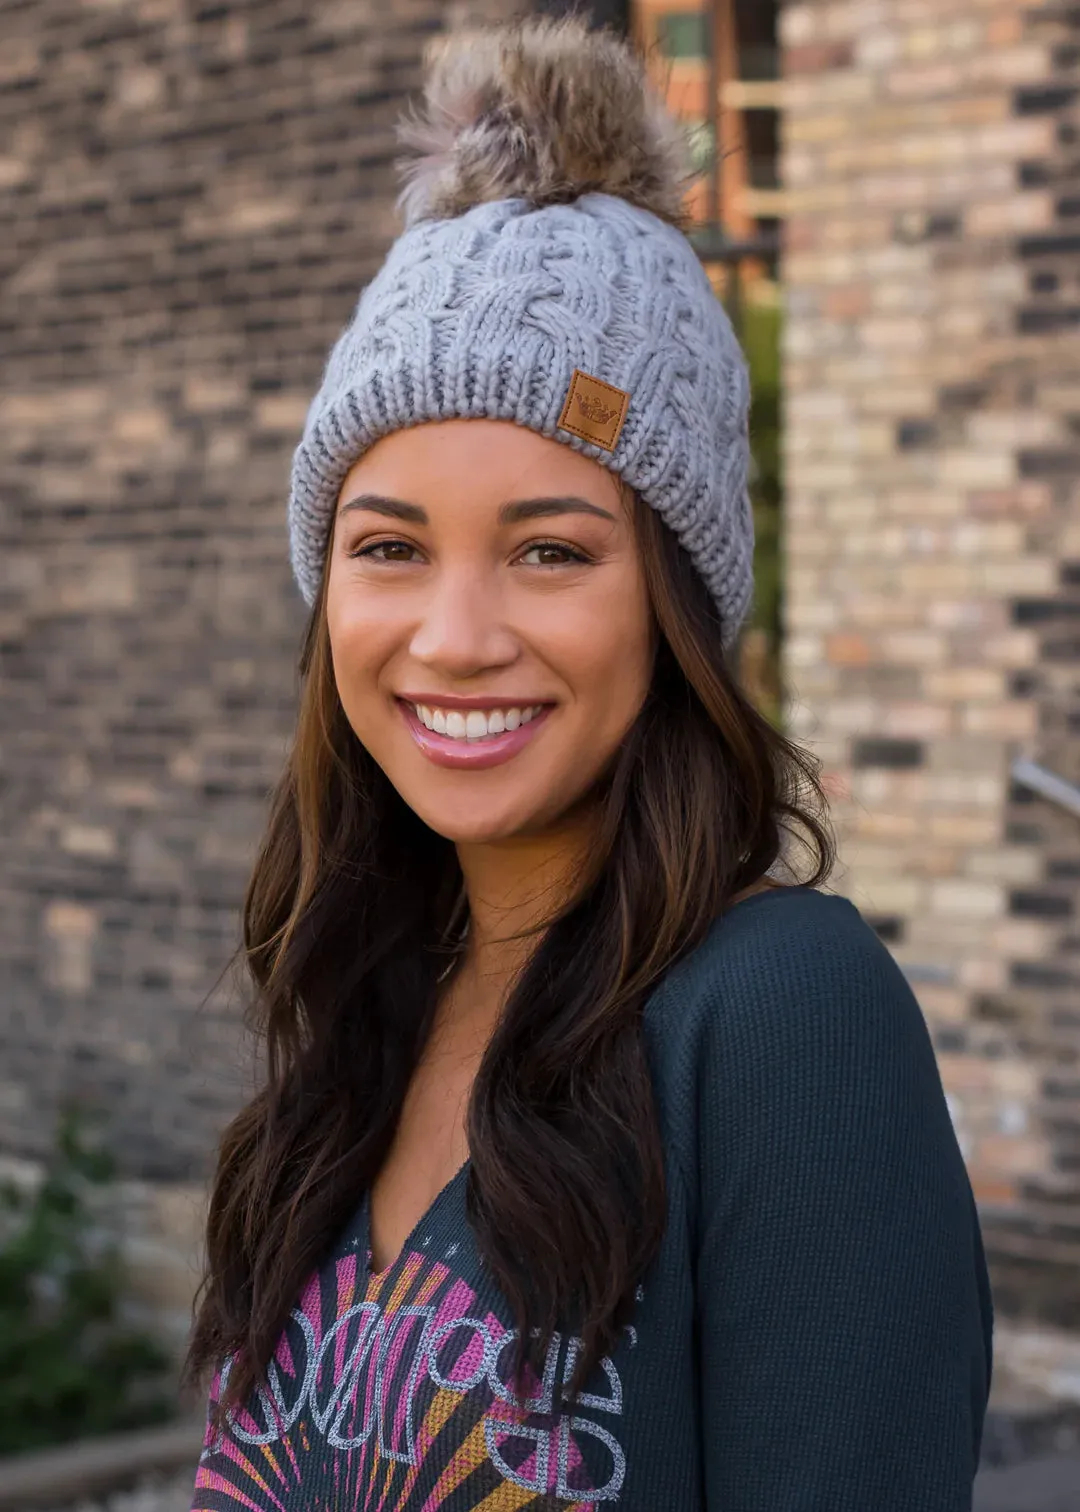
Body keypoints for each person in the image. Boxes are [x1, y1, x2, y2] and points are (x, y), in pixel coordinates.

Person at [184, 17, 993, 1510]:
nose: (455, 634)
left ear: (670, 603)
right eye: (389, 548)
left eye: (551, 550)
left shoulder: (782, 1018)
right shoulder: (369, 1006)